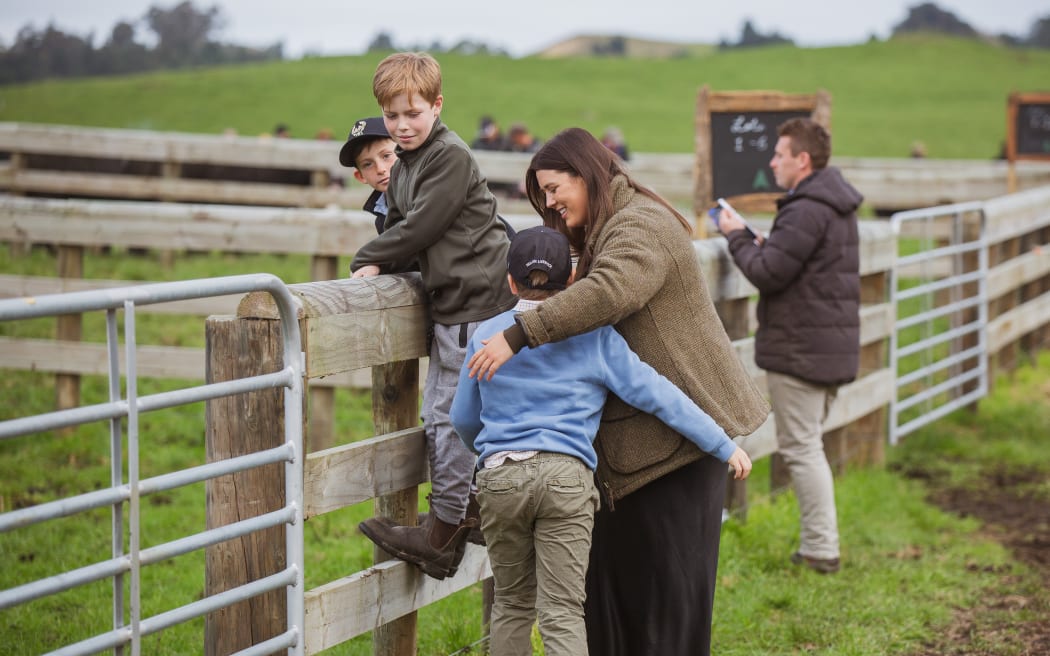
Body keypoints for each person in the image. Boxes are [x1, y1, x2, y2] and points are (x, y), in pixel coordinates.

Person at [466, 127, 770, 656]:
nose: (551, 204)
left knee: (663, 607)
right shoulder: (616, 226)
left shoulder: (639, 228)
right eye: (543, 195)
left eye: (556, 188)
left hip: (675, 445)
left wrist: (517, 334)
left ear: (588, 175)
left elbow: (606, 293)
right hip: (647, 443)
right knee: (617, 600)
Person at [350, 52, 517, 581]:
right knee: (446, 415)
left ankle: (443, 534)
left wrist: (365, 259)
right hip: (454, 303)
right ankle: (464, 512)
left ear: (437, 105)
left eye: (413, 113)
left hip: (477, 302)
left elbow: (421, 229)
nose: (401, 125)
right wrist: (383, 259)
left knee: (449, 416)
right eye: (392, 115)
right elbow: (398, 231)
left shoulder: (448, 157)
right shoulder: (405, 165)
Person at [716, 117, 862, 575]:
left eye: (779, 154)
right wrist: (763, 242)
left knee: (802, 448)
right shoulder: (833, 205)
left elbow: (768, 273)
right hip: (826, 347)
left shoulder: (805, 208)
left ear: (802, 159)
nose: (772, 161)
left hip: (801, 350)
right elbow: (792, 262)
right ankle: (820, 544)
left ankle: (821, 549)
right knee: (809, 445)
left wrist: (736, 235)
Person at [338, 116, 397, 233]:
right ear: (360, 176)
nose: (380, 169)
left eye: (386, 156)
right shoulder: (382, 214)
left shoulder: (426, 197)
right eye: (368, 164)